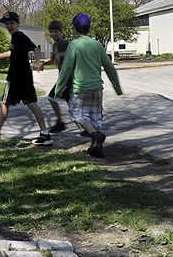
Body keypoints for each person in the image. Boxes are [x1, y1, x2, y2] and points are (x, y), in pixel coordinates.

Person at [52, 12, 122, 158]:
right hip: (97, 88)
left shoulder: (74, 45)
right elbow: (109, 66)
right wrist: (117, 87)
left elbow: (67, 69)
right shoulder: (97, 45)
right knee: (95, 117)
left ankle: (96, 136)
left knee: (77, 114)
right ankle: (97, 149)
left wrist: (59, 89)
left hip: (80, 88)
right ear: (88, 28)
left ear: (76, 29)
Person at [0, 11, 52, 146]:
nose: (9, 26)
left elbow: (35, 49)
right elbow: (12, 53)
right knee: (32, 104)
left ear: (18, 23)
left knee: (4, 103)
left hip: (16, 77)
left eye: (12, 23)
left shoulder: (20, 36)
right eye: (7, 24)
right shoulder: (16, 39)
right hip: (24, 76)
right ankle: (45, 133)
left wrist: (37, 62)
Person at [38, 20, 71, 132]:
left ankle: (60, 122)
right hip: (62, 77)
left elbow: (72, 52)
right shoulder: (55, 45)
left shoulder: (64, 43)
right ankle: (85, 123)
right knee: (71, 102)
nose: (53, 34)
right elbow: (53, 60)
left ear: (61, 32)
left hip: (68, 77)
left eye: (56, 31)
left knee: (52, 97)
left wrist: (60, 54)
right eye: (51, 31)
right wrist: (43, 63)